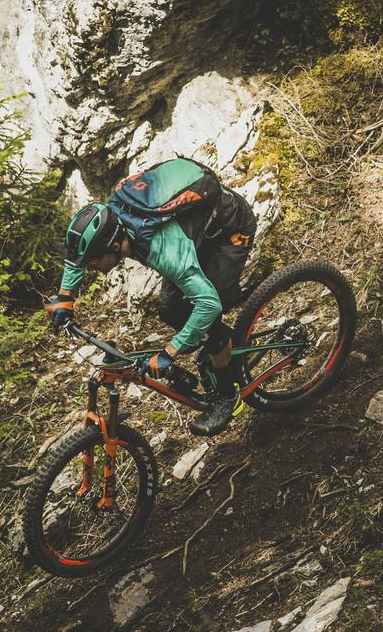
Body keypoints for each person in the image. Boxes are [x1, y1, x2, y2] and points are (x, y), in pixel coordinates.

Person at [45, 157, 257, 437]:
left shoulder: (163, 251)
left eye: (94, 262)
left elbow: (207, 304)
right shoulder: (113, 220)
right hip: (195, 234)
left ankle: (229, 395)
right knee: (170, 308)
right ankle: (227, 349)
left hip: (229, 232)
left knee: (209, 315)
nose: (92, 269)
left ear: (114, 246)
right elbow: (75, 258)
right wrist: (65, 298)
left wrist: (170, 352)